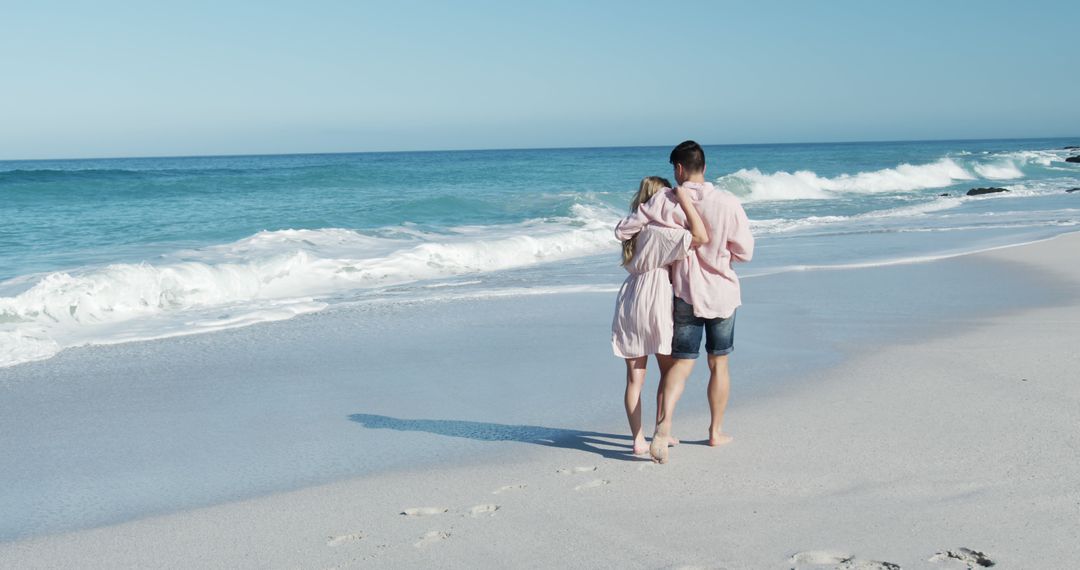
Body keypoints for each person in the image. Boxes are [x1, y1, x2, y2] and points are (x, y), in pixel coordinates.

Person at [614, 141, 754, 463]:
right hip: (721, 293)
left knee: (683, 363)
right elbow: (745, 253)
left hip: (685, 293)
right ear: (704, 166)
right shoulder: (728, 202)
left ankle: (663, 428)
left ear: (678, 169)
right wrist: (720, 254)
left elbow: (625, 230)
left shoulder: (665, 200)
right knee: (718, 363)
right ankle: (715, 432)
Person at [612, 176, 709, 455]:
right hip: (656, 295)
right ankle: (661, 431)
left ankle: (637, 439)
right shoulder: (664, 233)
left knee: (634, 377)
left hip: (630, 296)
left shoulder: (633, 230)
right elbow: (701, 237)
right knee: (668, 372)